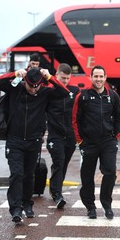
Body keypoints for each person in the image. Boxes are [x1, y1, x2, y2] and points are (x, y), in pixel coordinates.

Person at [0, 67, 69, 223]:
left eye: (37, 86)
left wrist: (49, 77)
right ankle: (15, 209)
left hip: (34, 141)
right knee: (17, 174)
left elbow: (64, 92)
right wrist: (15, 74)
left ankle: (27, 204)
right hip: (14, 140)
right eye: (30, 86)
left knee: (28, 175)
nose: (34, 89)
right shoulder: (15, 89)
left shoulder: (44, 93)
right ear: (25, 82)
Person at [72, 65, 120, 220]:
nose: (98, 79)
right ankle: (90, 207)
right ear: (91, 77)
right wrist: (80, 141)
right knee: (87, 176)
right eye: (96, 76)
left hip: (108, 142)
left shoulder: (113, 96)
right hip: (88, 143)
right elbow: (75, 120)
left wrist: (116, 137)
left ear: (105, 77)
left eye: (101, 76)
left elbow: (118, 118)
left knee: (110, 172)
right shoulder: (83, 96)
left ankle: (106, 204)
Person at [46, 63, 80, 208]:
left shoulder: (75, 90)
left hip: (70, 136)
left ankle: (55, 188)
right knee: (59, 161)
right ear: (56, 75)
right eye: (62, 77)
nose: (65, 81)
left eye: (67, 78)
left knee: (63, 164)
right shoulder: (49, 91)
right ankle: (57, 194)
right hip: (55, 135)